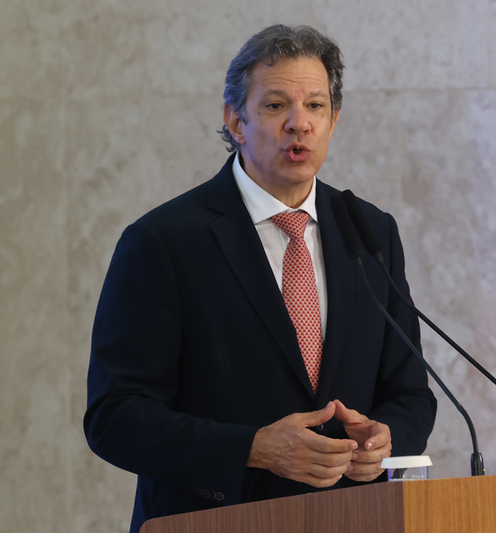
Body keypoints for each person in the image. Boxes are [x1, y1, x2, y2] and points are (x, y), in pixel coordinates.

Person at [84, 24, 437, 533]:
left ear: (333, 120)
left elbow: (411, 393)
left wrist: (386, 439)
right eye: (275, 106)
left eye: (315, 106)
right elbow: (114, 416)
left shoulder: (369, 231)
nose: (299, 123)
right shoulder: (163, 241)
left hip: (353, 519)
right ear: (236, 120)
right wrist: (254, 448)